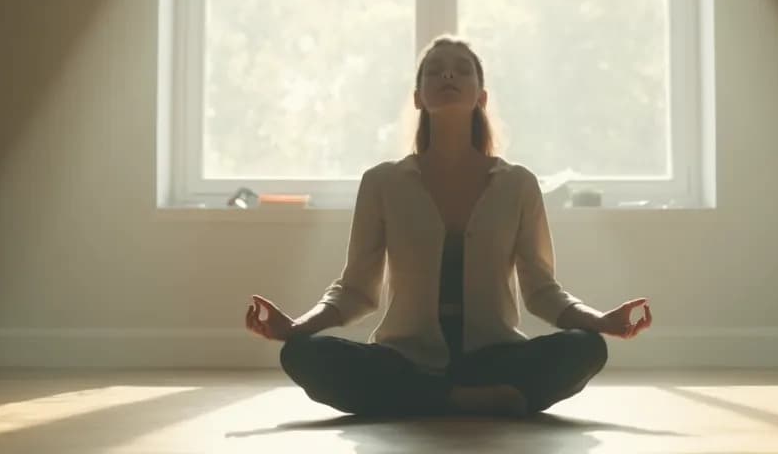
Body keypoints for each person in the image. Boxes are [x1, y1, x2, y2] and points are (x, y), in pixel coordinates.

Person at [244, 35, 654, 417]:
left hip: (495, 357)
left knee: (586, 348)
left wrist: (601, 321)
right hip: (405, 359)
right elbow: (355, 291)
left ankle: (421, 401)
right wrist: (297, 327)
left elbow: (542, 292)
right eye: (435, 70)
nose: (448, 75)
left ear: (482, 96)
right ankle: (462, 400)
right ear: (418, 97)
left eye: (462, 69)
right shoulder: (382, 182)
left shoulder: (518, 184)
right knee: (300, 354)